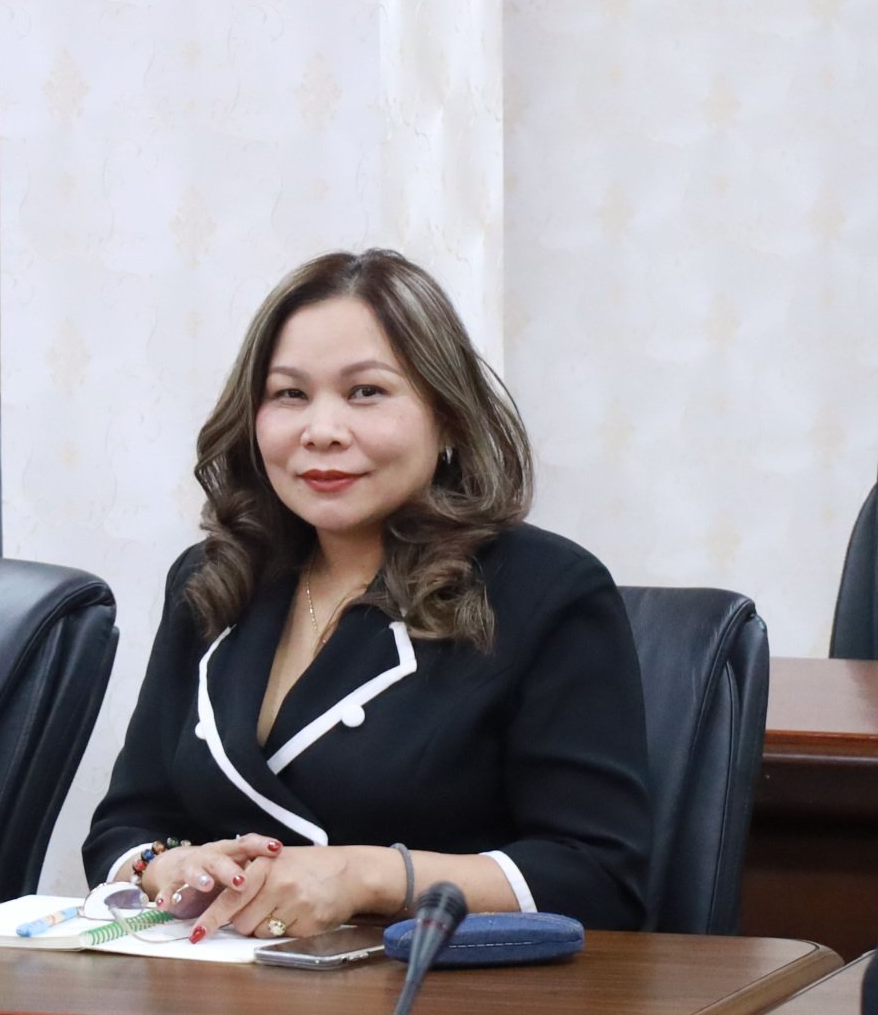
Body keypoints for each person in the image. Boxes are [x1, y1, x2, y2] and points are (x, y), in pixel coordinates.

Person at [84, 249, 651, 942]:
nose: (321, 431)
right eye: (289, 395)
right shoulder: (216, 577)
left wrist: (367, 877)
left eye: (366, 393)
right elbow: (126, 822)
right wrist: (167, 866)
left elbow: (598, 876)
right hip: (222, 978)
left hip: (429, 982)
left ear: (447, 414)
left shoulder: (546, 590)